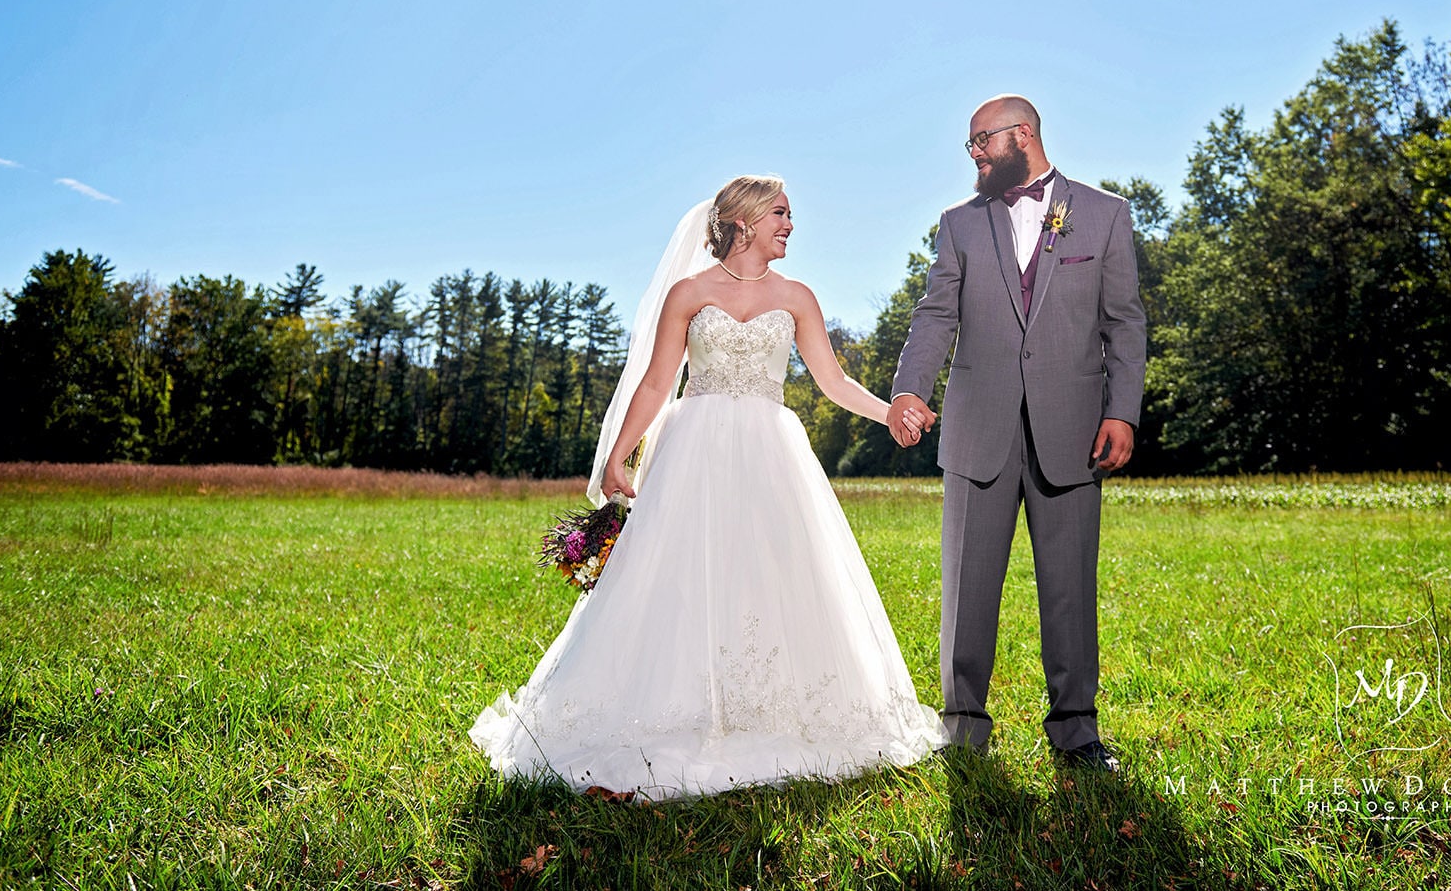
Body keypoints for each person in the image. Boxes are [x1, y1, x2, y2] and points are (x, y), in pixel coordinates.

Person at [470, 176, 942, 800]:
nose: (790, 225)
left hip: (772, 450)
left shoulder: (798, 296)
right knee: (677, 572)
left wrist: (889, 413)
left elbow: (831, 380)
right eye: (781, 213)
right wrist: (618, 457)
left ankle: (775, 707)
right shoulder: (689, 293)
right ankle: (669, 702)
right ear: (743, 219)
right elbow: (656, 382)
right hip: (693, 447)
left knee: (775, 569)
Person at [887, 96, 1146, 771]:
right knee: (968, 588)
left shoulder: (1104, 213)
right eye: (968, 144)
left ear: (1022, 135)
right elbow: (935, 312)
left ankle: (1076, 731)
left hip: (1076, 432)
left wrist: (1123, 409)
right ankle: (963, 726)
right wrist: (911, 388)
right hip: (979, 433)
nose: (972, 154)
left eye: (980, 141)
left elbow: (1125, 322)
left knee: (1070, 588)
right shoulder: (960, 224)